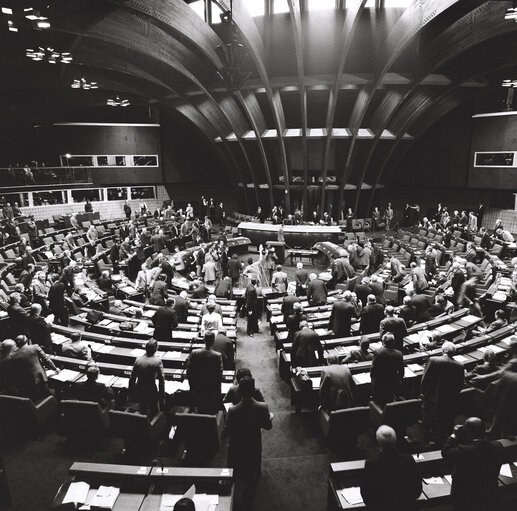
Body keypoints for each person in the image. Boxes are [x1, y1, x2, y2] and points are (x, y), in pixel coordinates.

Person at [225, 376, 272, 500]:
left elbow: (227, 431)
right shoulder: (263, 407)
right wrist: (270, 417)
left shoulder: (232, 410)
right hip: (254, 444)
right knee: (253, 472)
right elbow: (268, 426)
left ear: (239, 390)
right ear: (253, 390)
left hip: (237, 445)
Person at [442, 418, 503, 511]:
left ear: (466, 432)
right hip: (489, 493)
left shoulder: (463, 450)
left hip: (466, 498)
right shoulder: (497, 446)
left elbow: (445, 452)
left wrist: (454, 435)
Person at [360, 425, 422, 511]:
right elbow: (417, 489)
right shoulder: (408, 460)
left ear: (378, 442)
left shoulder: (371, 464)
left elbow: (366, 494)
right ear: (395, 440)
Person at [421, 341, 465, 444]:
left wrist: (424, 394)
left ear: (443, 350)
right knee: (443, 426)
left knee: (428, 425)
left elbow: (424, 381)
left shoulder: (433, 360)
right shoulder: (460, 365)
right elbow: (459, 386)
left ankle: (426, 444)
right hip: (448, 402)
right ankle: (441, 443)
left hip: (431, 400)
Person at [10, 334, 58, 400]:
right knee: (47, 395)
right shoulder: (35, 347)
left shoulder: (13, 355)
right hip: (40, 376)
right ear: (26, 340)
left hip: (27, 380)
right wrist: (55, 368)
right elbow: (46, 359)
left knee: (35, 398)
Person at [186, 332, 223, 414]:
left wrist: (192, 387)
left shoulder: (194, 353)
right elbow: (219, 375)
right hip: (211, 390)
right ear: (213, 341)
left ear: (203, 340)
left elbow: (189, 372)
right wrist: (218, 391)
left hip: (197, 388)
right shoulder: (217, 356)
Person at [128, 340, 165, 417]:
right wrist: (162, 396)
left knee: (142, 411)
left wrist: (130, 393)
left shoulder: (138, 360)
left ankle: (144, 426)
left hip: (139, 389)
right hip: (151, 390)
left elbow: (132, 378)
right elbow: (161, 380)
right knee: (155, 413)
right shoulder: (157, 361)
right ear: (156, 349)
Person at [370, 333, 403, 406]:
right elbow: (401, 373)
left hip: (379, 385)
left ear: (383, 342)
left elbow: (373, 372)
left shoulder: (378, 353)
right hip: (392, 385)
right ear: (393, 342)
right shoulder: (399, 354)